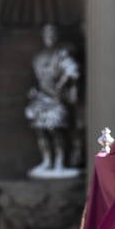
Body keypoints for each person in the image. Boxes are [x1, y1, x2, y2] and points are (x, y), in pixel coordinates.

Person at [25, 22, 81, 178]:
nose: (49, 37)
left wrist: (61, 84)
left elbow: (72, 71)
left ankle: (60, 161)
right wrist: (34, 89)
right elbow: (36, 78)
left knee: (57, 131)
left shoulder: (62, 54)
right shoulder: (38, 57)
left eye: (52, 34)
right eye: (47, 34)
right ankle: (47, 160)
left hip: (56, 97)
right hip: (41, 97)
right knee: (41, 131)